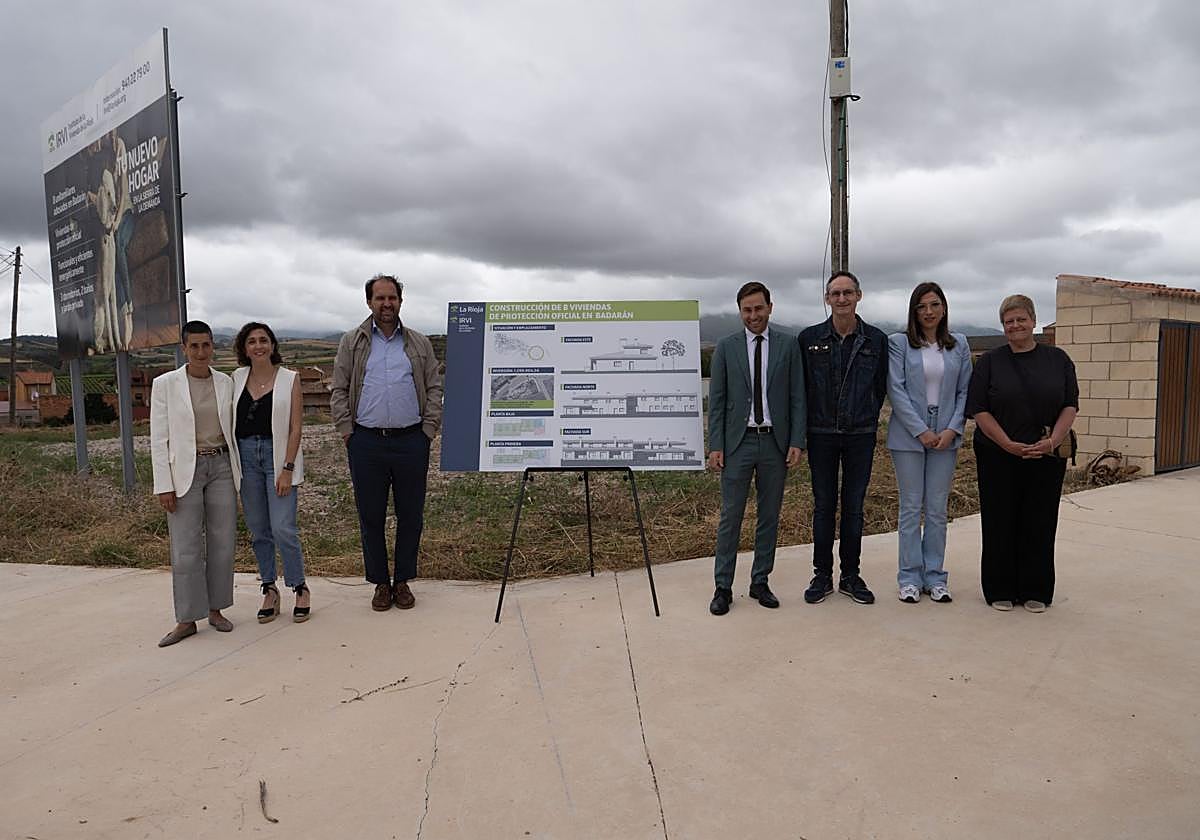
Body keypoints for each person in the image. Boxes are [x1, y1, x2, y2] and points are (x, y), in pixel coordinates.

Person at [330, 275, 443, 612]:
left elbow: (434, 388)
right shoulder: (353, 342)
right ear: (369, 302)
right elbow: (339, 388)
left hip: (411, 441)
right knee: (371, 516)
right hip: (366, 442)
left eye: (391, 298)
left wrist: (428, 430)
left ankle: (403, 580)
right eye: (379, 298)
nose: (386, 304)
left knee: (411, 515)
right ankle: (380, 583)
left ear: (400, 301)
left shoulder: (419, 343)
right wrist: (347, 431)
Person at [966, 294, 1078, 612]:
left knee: (1039, 522)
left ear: (1033, 321)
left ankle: (1036, 590)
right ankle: (1000, 588)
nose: (1015, 326)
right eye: (1008, 321)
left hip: (1045, 453)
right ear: (1003, 326)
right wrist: (1007, 444)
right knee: (1000, 520)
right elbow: (979, 409)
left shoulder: (1059, 360)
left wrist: (1053, 441)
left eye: (1020, 319)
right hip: (997, 454)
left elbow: (1070, 404)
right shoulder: (989, 362)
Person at [707, 282, 806, 615]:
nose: (753, 315)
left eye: (758, 308)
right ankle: (723, 587)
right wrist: (715, 445)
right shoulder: (726, 347)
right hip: (738, 443)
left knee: (769, 517)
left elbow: (797, 397)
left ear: (770, 308)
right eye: (747, 310)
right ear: (740, 312)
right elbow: (717, 401)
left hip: (775, 443)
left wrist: (796, 441)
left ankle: (760, 581)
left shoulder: (789, 346)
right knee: (730, 517)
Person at [799, 271, 888, 605]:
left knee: (853, 508)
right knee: (823, 507)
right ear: (826, 298)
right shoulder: (808, 340)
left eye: (847, 293)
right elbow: (802, 388)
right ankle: (822, 576)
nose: (841, 299)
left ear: (859, 296)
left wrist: (864, 414)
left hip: (860, 435)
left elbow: (880, 387)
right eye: (835, 293)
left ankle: (851, 576)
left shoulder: (876, 341)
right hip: (821, 434)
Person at [150, 320, 242, 647]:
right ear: (184, 349)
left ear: (212, 346)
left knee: (222, 541)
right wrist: (164, 484)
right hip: (183, 471)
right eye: (194, 346)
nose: (201, 352)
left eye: (206, 345)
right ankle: (187, 619)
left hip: (221, 467)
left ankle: (216, 609)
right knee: (185, 547)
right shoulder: (165, 384)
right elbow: (159, 438)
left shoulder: (226, 382)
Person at [886, 282, 972, 604]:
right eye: (922, 307)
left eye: (934, 305)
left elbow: (965, 390)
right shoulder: (899, 343)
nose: (929, 312)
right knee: (911, 507)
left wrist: (952, 428)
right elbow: (896, 390)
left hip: (946, 434)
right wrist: (921, 430)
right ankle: (909, 577)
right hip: (909, 435)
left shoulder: (959, 344)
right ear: (914, 311)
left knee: (936, 509)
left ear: (944, 307)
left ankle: (935, 576)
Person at [232, 322, 311, 623]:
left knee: (283, 528)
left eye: (264, 340)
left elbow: (295, 428)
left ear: (273, 345)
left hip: (277, 459)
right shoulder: (236, 378)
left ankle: (299, 586)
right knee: (259, 530)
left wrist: (287, 469)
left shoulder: (290, 378)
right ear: (244, 348)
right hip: (246, 457)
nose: (258, 346)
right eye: (251, 341)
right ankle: (269, 588)